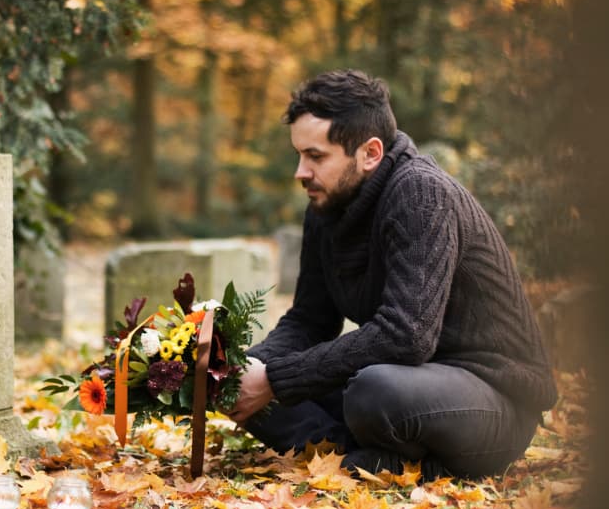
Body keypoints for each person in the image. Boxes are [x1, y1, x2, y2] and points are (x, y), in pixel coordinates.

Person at [228, 69, 557, 480]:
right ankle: (354, 458)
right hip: (410, 383)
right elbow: (310, 321)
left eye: (316, 156)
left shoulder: (420, 194)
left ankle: (392, 459)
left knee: (372, 390)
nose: (301, 171)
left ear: (370, 153)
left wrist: (276, 379)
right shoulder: (326, 206)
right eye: (299, 155)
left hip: (491, 400)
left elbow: (407, 335)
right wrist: (247, 369)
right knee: (240, 380)